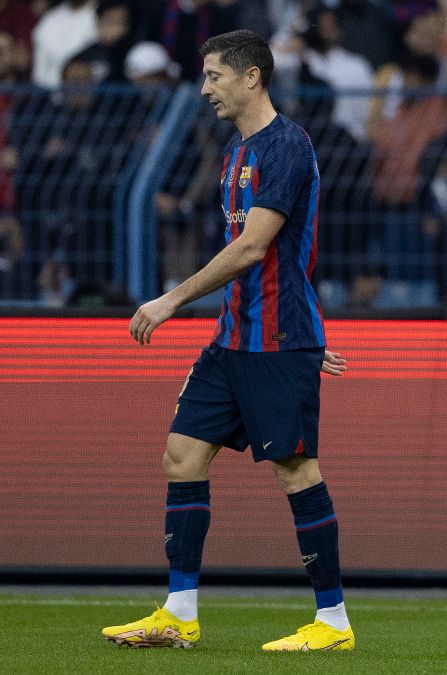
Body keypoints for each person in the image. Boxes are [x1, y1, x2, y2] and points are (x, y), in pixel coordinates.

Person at [101, 30, 355, 652]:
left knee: (297, 472)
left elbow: (253, 247)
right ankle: (179, 613)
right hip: (235, 337)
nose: (206, 87)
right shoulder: (236, 153)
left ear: (251, 77)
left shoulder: (288, 144)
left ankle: (333, 623)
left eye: (215, 75)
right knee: (182, 457)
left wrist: (170, 300)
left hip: (276, 338)